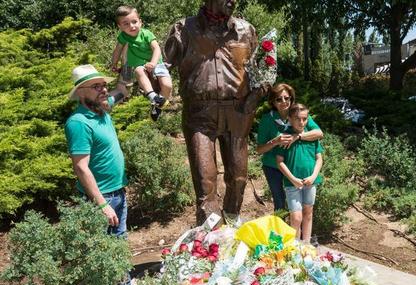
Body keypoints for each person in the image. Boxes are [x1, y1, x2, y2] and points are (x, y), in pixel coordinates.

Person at [164, 0, 268, 226]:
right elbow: (163, 65)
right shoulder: (184, 29)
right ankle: (211, 240)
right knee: (205, 181)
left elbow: (263, 71)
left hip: (238, 112)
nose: (233, 1)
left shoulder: (246, 30)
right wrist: (146, 75)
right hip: (199, 113)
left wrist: (256, 96)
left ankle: (231, 225)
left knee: (239, 178)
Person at [65, 64, 130, 238]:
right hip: (101, 198)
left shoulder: (101, 108)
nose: (103, 90)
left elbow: (122, 91)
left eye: (103, 85)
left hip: (118, 192)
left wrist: (128, 64)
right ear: (80, 92)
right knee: (104, 250)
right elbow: (81, 168)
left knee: (119, 245)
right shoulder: (79, 122)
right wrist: (101, 205)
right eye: (96, 86)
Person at [256, 83, 324, 211]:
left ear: (291, 99)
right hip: (273, 167)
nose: (284, 102)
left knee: (298, 206)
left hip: (294, 167)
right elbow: (259, 149)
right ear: (273, 102)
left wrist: (297, 137)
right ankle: (280, 230)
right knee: (280, 202)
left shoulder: (299, 115)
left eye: (287, 98)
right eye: (279, 99)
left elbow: (319, 133)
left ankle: (296, 230)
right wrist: (275, 142)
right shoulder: (267, 119)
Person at [111, 5, 172, 121]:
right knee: (128, 82)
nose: (132, 26)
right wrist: (114, 63)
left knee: (167, 85)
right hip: (131, 66)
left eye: (134, 22)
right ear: (120, 27)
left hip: (154, 63)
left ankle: (158, 105)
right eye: (126, 24)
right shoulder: (123, 36)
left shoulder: (146, 34)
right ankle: (153, 96)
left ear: (140, 22)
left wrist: (153, 63)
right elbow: (117, 50)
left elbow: (157, 49)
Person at [275, 104, 324, 243]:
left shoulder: (311, 136)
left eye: (304, 119)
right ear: (290, 119)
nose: (301, 122)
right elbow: (279, 161)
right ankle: (294, 246)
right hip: (292, 183)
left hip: (311, 181)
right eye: (297, 119)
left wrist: (314, 176)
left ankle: (306, 244)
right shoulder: (285, 138)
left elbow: (319, 158)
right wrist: (293, 179)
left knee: (308, 213)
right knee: (296, 217)